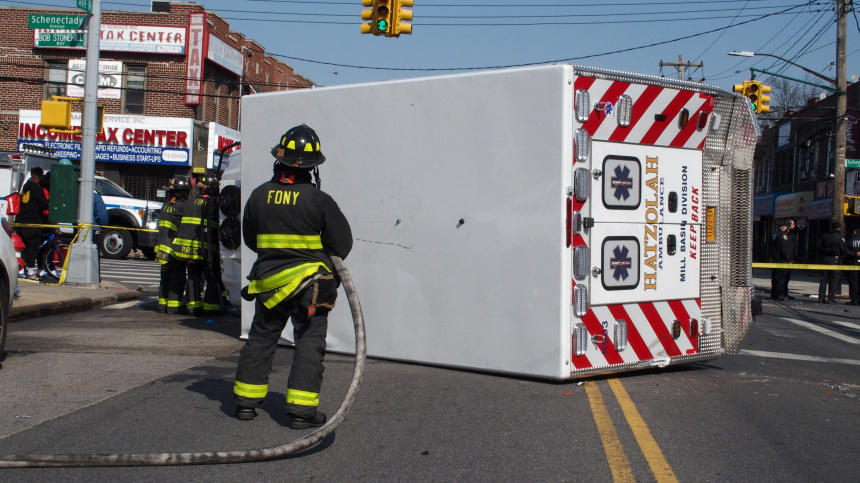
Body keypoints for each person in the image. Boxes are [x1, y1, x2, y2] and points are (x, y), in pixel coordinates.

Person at [233, 124, 352, 428]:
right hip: (311, 287)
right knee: (309, 344)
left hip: (269, 285)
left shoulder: (258, 196)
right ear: (312, 168)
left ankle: (245, 404)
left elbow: (250, 240)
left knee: (261, 338)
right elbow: (342, 244)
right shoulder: (319, 200)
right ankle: (301, 411)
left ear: (279, 159)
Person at [157, 176, 191, 313]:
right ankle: (173, 307)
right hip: (174, 249)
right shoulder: (182, 206)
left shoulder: (167, 204)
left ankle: (162, 305)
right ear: (184, 192)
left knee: (165, 277)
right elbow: (182, 228)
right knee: (177, 278)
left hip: (162, 248)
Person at [16, 167, 50, 279]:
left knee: (24, 247)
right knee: (33, 247)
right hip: (33, 221)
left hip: (22, 220)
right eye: (40, 176)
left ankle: (22, 269)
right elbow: (43, 205)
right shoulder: (37, 189)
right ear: (37, 176)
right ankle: (30, 271)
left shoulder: (26, 187)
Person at [816, 221, 849, 304]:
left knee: (823, 279)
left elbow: (818, 246)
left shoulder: (824, 236)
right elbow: (843, 249)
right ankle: (831, 298)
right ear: (839, 228)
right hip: (834, 259)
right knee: (834, 279)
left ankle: (821, 298)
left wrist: (823, 253)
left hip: (824, 259)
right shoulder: (839, 237)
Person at [769, 220, 792, 301]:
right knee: (781, 278)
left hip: (775, 259)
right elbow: (784, 248)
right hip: (781, 260)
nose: (786, 228)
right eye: (786, 226)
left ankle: (774, 294)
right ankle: (779, 294)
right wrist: (788, 259)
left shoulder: (774, 234)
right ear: (783, 227)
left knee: (775, 277)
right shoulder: (782, 235)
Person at [782, 219, 798, 300]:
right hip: (785, 260)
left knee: (787, 277)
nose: (794, 226)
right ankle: (781, 293)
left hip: (790, 259)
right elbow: (785, 249)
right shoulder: (784, 235)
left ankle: (785, 293)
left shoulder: (792, 235)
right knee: (783, 277)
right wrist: (788, 259)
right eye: (793, 224)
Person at [846, 227, 860, 305]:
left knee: (853, 282)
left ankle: (854, 300)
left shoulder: (850, 241)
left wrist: (854, 254)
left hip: (853, 263)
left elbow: (846, 251)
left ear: (855, 232)